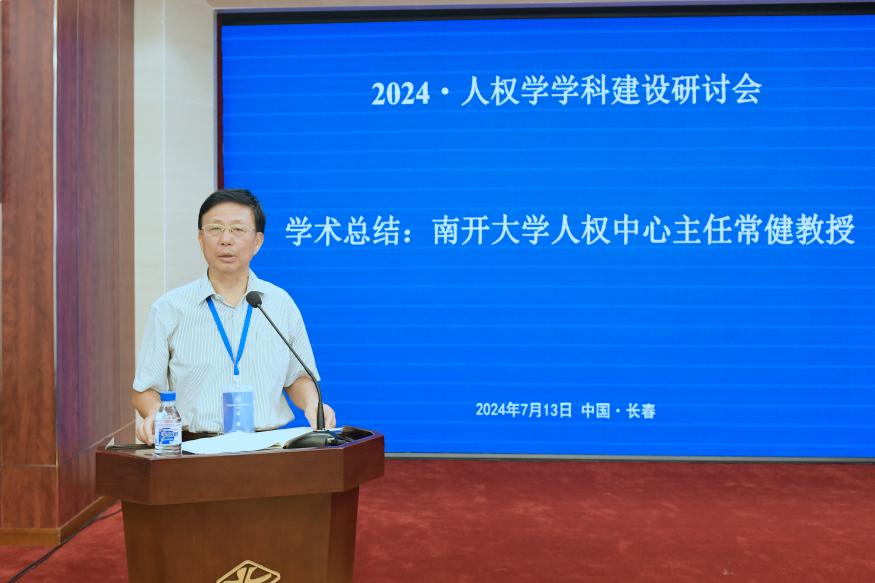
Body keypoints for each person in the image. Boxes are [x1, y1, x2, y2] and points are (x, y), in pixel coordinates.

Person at [132, 189, 336, 444]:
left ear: (257, 241)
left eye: (238, 229)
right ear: (200, 238)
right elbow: (145, 390)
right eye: (215, 229)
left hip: (268, 448)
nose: (225, 239)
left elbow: (297, 378)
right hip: (193, 448)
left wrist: (313, 404)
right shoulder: (169, 309)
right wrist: (156, 414)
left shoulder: (279, 304)